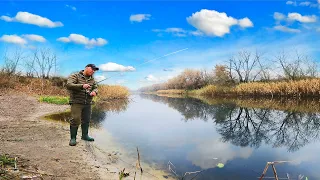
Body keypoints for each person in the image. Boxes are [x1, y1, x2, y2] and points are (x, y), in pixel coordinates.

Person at [66, 64, 99, 146]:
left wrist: (94, 92)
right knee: (75, 119)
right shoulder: (75, 75)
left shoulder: (92, 79)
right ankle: (73, 138)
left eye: (95, 70)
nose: (93, 71)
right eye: (92, 69)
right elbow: (69, 85)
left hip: (88, 103)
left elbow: (95, 87)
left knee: (86, 120)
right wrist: (82, 86)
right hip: (76, 102)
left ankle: (85, 136)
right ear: (87, 68)